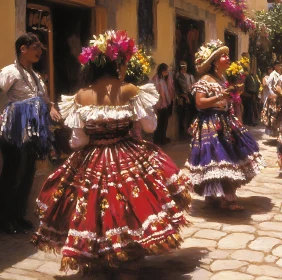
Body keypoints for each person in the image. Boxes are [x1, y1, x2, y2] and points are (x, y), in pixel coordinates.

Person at [32, 30, 191, 275]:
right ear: (117, 63)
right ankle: (128, 254)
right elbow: (150, 126)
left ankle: (98, 256)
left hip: (91, 157)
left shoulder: (81, 96)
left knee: (92, 206)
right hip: (128, 151)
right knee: (131, 204)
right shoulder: (130, 90)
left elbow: (77, 141)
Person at [186, 39, 265, 211]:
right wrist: (221, 96)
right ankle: (223, 198)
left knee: (228, 158)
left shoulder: (222, 79)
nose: (228, 59)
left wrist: (231, 96)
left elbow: (225, 100)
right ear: (214, 61)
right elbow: (199, 103)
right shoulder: (206, 79)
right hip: (211, 124)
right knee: (217, 158)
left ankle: (220, 195)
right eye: (223, 56)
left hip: (225, 121)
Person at [0, 33, 61, 234]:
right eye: (35, 47)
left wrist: (51, 107)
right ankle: (5, 219)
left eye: (40, 49)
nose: (39, 52)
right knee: (12, 174)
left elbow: (43, 98)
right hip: (15, 131)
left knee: (27, 174)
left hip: (34, 132)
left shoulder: (36, 76)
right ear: (22, 49)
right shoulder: (9, 72)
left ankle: (19, 216)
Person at [151, 63, 175, 145]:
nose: (167, 73)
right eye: (166, 71)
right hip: (159, 105)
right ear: (163, 71)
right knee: (160, 123)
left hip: (164, 104)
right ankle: (158, 140)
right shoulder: (156, 79)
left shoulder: (162, 79)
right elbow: (157, 92)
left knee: (164, 122)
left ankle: (162, 138)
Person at [261, 61, 282, 137]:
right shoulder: (273, 74)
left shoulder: (280, 74)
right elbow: (268, 84)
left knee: (279, 114)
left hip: (279, 96)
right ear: (275, 66)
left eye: (280, 65)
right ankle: (274, 131)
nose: (280, 66)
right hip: (274, 96)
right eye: (278, 65)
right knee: (274, 114)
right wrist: (272, 94)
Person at [176, 60, 196, 140]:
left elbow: (194, 85)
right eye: (182, 66)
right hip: (183, 98)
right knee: (182, 117)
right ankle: (182, 134)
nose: (184, 68)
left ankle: (189, 132)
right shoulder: (178, 77)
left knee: (190, 116)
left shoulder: (190, 76)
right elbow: (179, 88)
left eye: (185, 66)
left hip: (191, 97)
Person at [242, 60, 261, 126]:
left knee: (252, 109)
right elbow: (246, 86)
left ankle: (250, 121)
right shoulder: (248, 77)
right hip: (248, 94)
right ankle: (248, 121)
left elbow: (257, 85)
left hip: (253, 94)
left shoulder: (254, 77)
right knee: (248, 109)